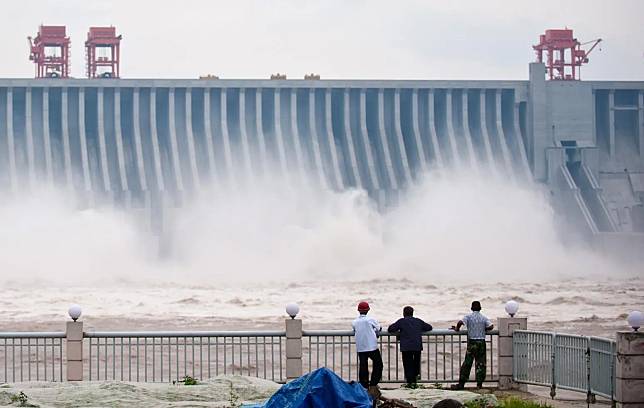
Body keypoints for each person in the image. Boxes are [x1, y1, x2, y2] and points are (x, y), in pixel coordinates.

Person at [450, 301, 494, 390]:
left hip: (472, 342)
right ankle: (479, 385)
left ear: (471, 308)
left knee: (467, 363)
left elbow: (460, 322)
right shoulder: (483, 318)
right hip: (481, 342)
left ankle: (461, 383)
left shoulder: (468, 317)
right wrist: (484, 329)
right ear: (480, 308)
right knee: (481, 363)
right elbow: (491, 326)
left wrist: (457, 328)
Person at [387, 306, 433, 387]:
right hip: (417, 346)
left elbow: (391, 329)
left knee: (408, 364)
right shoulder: (418, 321)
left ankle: (410, 382)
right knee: (416, 364)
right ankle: (415, 380)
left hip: (406, 347)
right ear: (412, 313)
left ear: (404, 313)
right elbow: (429, 327)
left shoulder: (401, 321)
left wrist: (400, 331)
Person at [352, 301, 383, 392]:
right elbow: (378, 328)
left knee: (363, 366)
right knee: (378, 364)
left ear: (358, 310)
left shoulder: (354, 322)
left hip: (361, 347)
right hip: (372, 346)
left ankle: (364, 385)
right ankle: (373, 383)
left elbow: (355, 330)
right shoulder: (371, 320)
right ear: (368, 310)